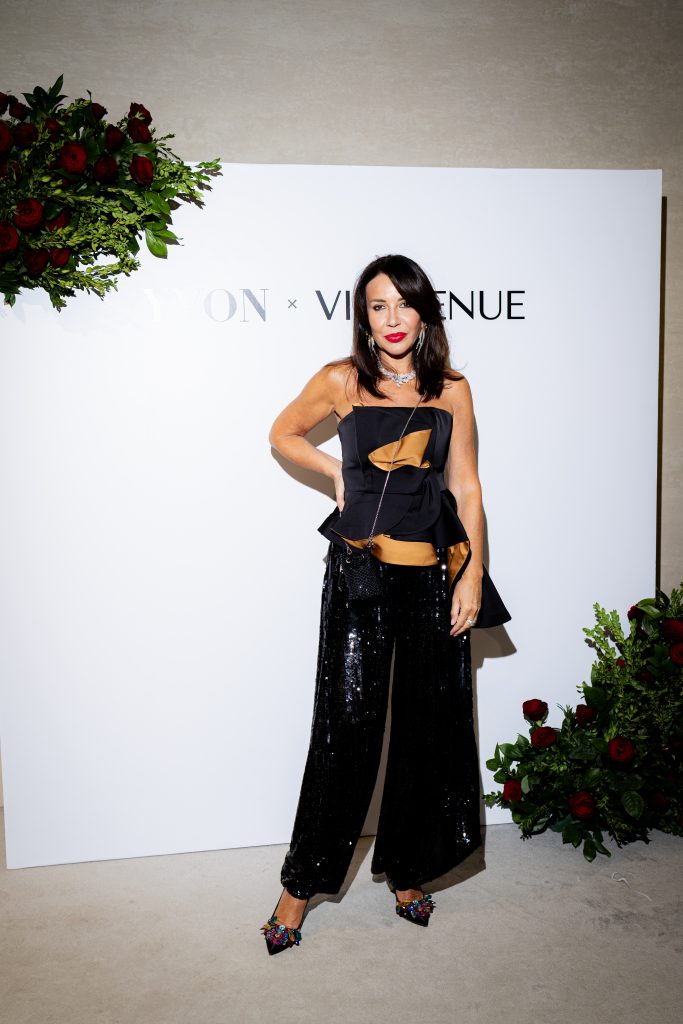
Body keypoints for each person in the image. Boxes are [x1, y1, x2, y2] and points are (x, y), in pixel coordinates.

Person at [261, 254, 510, 955]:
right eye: (378, 306)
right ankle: (298, 888)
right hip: (360, 579)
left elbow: (466, 487)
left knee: (427, 730)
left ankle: (407, 869)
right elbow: (282, 432)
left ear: (423, 313)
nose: (392, 319)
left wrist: (471, 575)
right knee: (345, 732)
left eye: (404, 304)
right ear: (363, 317)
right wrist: (334, 469)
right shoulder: (341, 380)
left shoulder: (452, 388)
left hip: (433, 580)